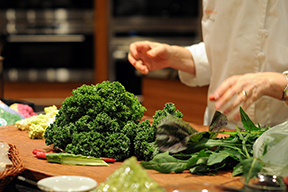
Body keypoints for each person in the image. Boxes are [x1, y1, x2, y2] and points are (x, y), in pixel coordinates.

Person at [128, 0, 288, 129]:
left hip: (280, 136)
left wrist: (274, 83)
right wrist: (176, 57)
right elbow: (232, 49)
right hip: (222, 132)